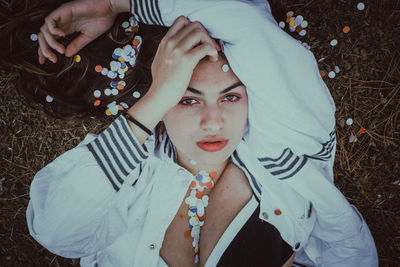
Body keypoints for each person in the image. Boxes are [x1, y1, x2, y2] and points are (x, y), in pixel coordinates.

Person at [25, 0, 379, 266]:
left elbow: (247, 23)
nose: (213, 122)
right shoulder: (128, 178)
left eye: (230, 96)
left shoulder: (286, 148)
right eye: (186, 100)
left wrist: (117, 4)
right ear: (159, 103)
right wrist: (154, 101)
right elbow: (56, 231)